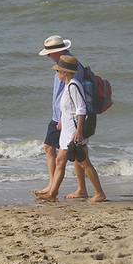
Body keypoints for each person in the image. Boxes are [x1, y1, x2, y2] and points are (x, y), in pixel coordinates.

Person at [35, 54, 106, 203]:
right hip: (68, 131)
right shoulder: (68, 86)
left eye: (58, 70)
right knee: (61, 161)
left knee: (84, 163)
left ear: (65, 72)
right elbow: (70, 109)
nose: (57, 73)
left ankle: (99, 194)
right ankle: (52, 193)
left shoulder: (74, 86)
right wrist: (62, 120)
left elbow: (81, 109)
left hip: (74, 132)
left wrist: (78, 131)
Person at [34, 35, 89, 200]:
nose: (48, 57)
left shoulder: (70, 65)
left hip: (64, 117)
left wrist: (62, 119)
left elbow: (74, 93)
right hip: (60, 115)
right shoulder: (64, 63)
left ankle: (59, 188)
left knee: (70, 153)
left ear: (57, 51)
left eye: (49, 54)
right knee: (62, 150)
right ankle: (60, 187)